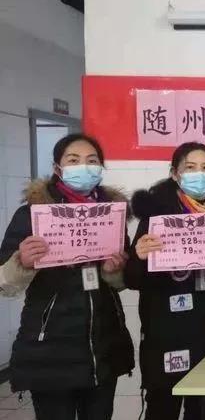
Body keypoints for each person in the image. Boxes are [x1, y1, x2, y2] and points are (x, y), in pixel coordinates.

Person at [0, 133, 134, 420]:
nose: (84, 167)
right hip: (49, 350)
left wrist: (114, 272)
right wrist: (22, 262)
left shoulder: (112, 215)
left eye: (92, 161)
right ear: (58, 168)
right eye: (73, 160)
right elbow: (4, 283)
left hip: (104, 347)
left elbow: (122, 282)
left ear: (101, 168)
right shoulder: (32, 215)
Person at [126, 142, 205, 420]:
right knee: (162, 407)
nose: (200, 174)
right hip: (165, 333)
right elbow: (132, 279)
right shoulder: (156, 215)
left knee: (202, 409)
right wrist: (139, 257)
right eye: (190, 168)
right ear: (175, 174)